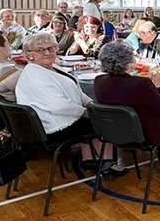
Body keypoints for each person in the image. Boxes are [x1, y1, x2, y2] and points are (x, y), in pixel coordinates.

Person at [94, 40, 160, 174]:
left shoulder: (99, 81)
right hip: (143, 134)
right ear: (127, 60)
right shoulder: (140, 83)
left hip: (114, 132)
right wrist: (159, 87)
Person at [15, 33, 108, 164]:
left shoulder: (51, 68)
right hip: (53, 128)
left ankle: (91, 158)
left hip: (57, 119)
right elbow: (59, 106)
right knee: (106, 122)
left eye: (51, 48)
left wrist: (91, 104)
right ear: (30, 54)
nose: (47, 52)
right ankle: (103, 163)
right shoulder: (35, 74)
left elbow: (76, 91)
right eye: (40, 50)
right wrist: (86, 112)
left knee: (100, 116)